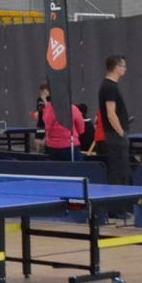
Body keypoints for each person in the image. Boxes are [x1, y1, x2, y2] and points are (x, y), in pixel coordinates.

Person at [94, 55, 132, 220]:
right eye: (123, 66)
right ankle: (115, 210)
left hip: (115, 136)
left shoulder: (110, 86)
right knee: (117, 173)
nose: (125, 69)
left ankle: (120, 208)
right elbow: (111, 114)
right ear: (116, 67)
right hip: (115, 137)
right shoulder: (109, 87)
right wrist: (121, 133)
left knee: (121, 172)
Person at [38, 83, 85, 160]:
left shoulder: (48, 109)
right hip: (70, 144)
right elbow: (81, 129)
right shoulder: (73, 109)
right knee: (77, 167)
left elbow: (47, 126)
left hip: (52, 146)